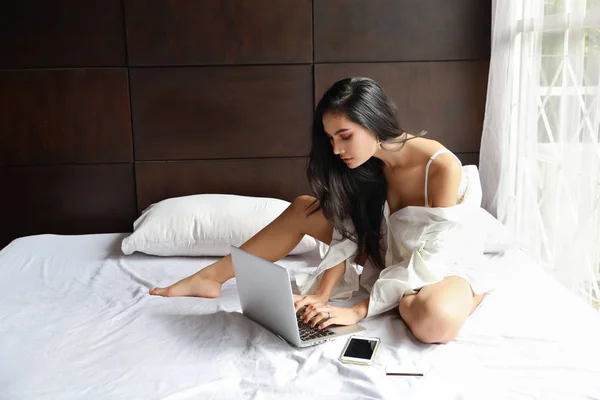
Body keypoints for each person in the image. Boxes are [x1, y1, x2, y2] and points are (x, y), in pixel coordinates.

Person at [150, 77, 491, 344]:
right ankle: (210, 278)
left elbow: (432, 255)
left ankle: (465, 297)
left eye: (345, 136)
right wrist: (322, 294)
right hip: (393, 253)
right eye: (331, 140)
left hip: (441, 265)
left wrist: (357, 310)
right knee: (302, 207)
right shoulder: (365, 162)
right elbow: (348, 229)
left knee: (434, 322)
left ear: (373, 122)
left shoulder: (440, 168)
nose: (338, 149)